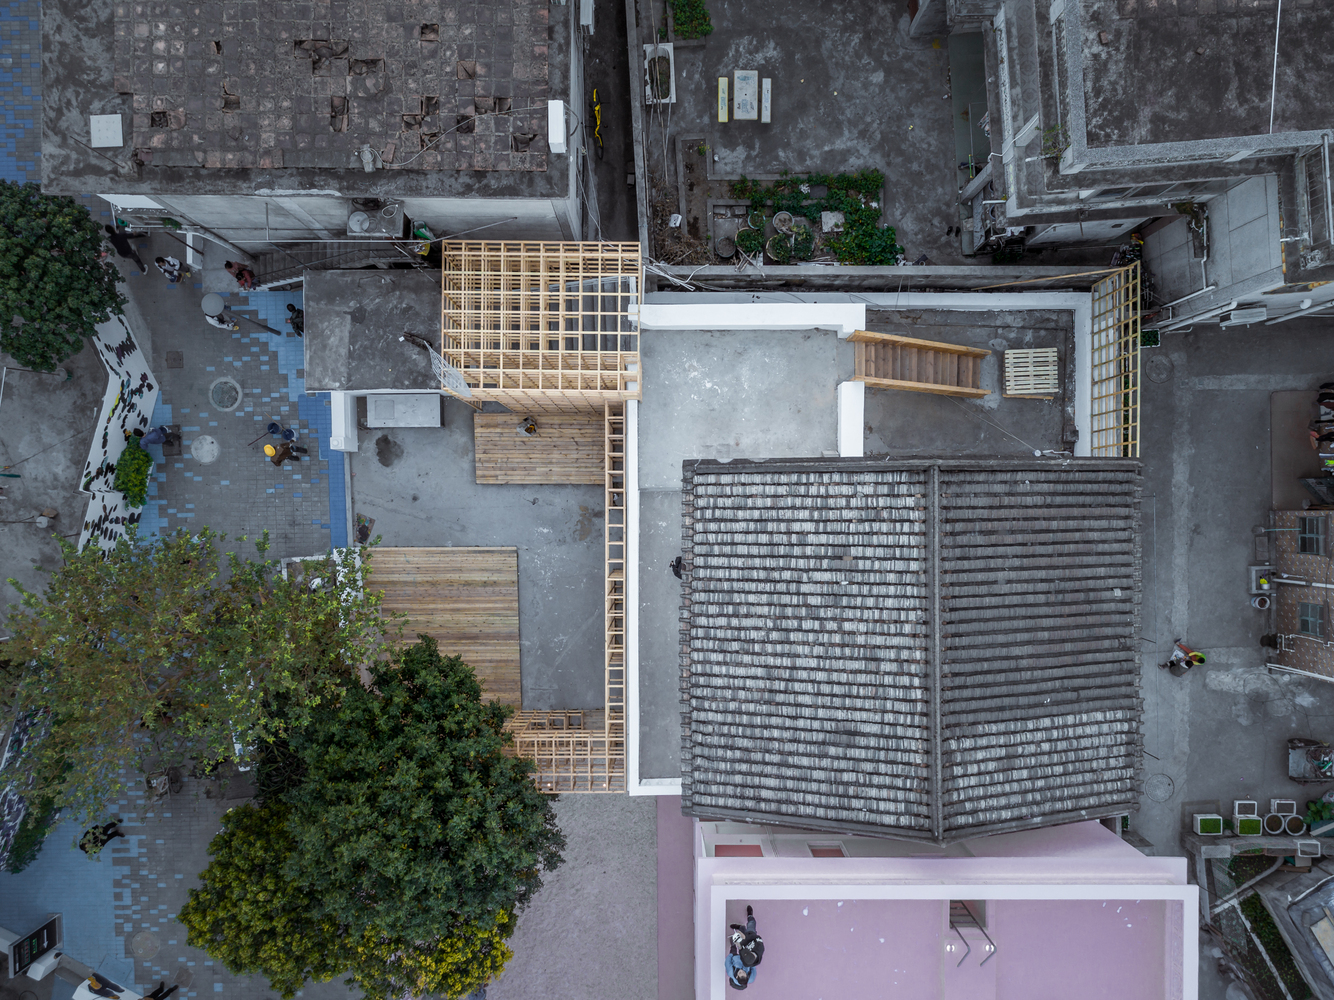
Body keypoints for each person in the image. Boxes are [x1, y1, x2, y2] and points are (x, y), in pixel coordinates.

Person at [726, 905, 764, 989]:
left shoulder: (730, 972)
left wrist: (731, 955)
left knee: (735, 943)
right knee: (749, 928)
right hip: (750, 943)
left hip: (736, 956)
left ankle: (739, 930)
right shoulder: (751, 976)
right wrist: (750, 961)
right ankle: (747, 920)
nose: (741, 971)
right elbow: (753, 969)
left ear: (736, 977)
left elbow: (727, 963)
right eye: (744, 972)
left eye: (740, 973)